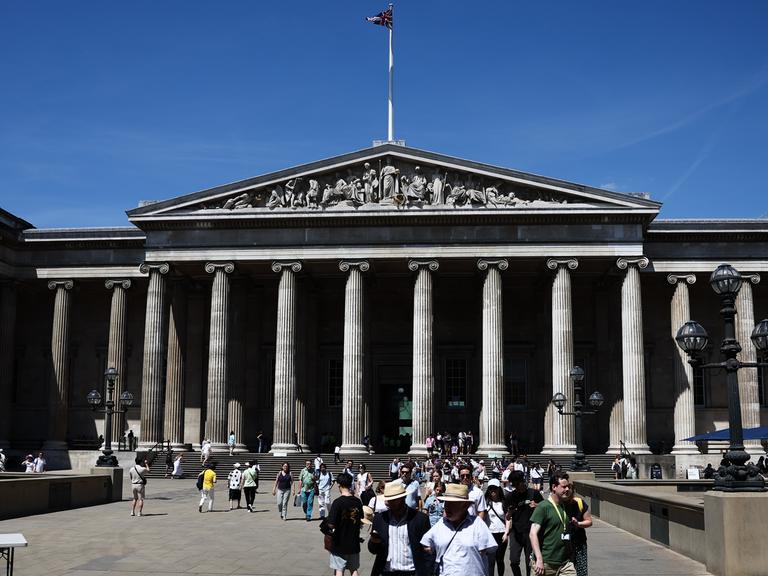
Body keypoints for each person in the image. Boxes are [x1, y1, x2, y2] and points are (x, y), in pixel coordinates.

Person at [421, 483, 498, 576]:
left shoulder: (477, 524)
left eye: (453, 504)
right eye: (446, 503)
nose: (447, 508)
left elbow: (486, 550)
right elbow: (426, 544)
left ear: (465, 506)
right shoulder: (441, 523)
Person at [368, 480, 434, 576]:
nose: (390, 503)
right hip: (387, 572)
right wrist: (374, 542)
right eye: (389, 499)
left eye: (394, 499)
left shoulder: (420, 519)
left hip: (411, 572)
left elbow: (428, 551)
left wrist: (427, 572)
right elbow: (373, 550)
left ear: (403, 497)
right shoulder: (380, 519)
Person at [529, 472, 576, 576]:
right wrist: (539, 559)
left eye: (568, 486)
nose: (567, 489)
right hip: (546, 563)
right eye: (564, 487)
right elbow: (532, 534)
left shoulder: (566, 506)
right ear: (554, 487)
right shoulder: (543, 507)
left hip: (565, 563)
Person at [504, 470, 543, 576]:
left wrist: (537, 505)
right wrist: (510, 512)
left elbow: (546, 509)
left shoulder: (534, 493)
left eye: (518, 483)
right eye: (514, 485)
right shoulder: (510, 497)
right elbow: (507, 517)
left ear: (523, 481)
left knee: (529, 562)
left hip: (531, 532)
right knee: (514, 561)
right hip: (516, 533)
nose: (516, 487)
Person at [325, 472, 364, 576]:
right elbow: (361, 520)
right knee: (354, 569)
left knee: (339, 569)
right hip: (354, 542)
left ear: (339, 485)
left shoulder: (337, 502)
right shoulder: (357, 501)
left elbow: (331, 524)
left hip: (339, 542)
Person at [563, 481, 592, 576]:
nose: (567, 490)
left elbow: (589, 521)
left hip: (579, 542)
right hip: (561, 544)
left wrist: (578, 523)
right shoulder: (556, 504)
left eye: (569, 488)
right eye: (564, 487)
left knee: (581, 572)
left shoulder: (579, 503)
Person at [484, 479, 509, 576]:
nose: (492, 490)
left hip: (502, 533)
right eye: (490, 488)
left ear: (499, 489)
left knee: (500, 559)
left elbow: (508, 519)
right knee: (490, 560)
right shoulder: (485, 502)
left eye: (495, 488)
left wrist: (506, 533)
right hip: (489, 534)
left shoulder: (504, 502)